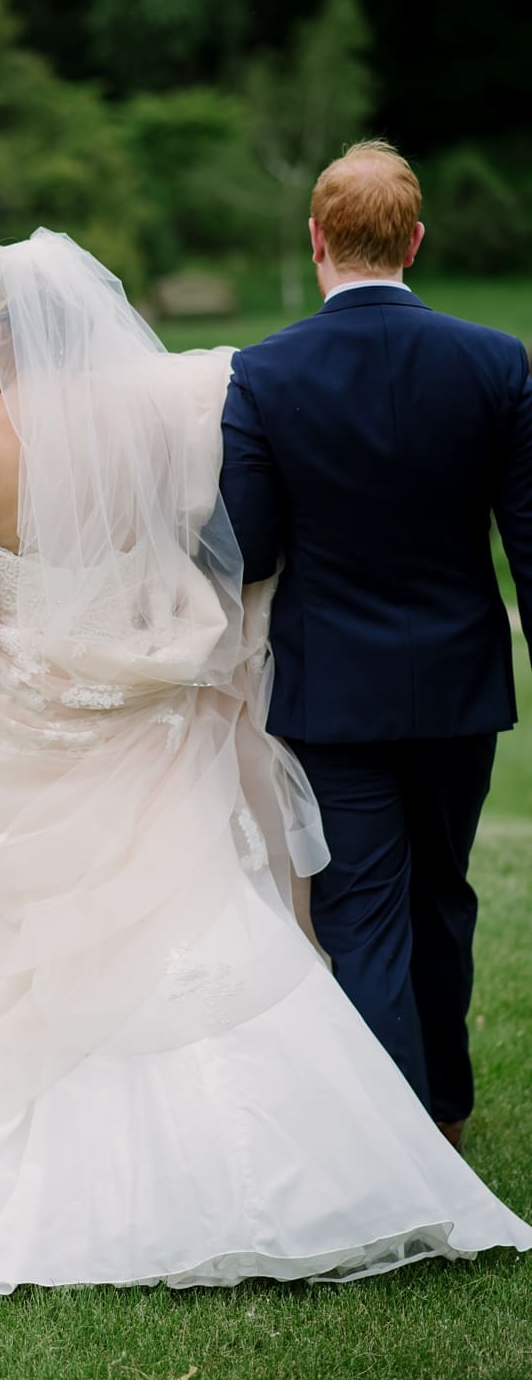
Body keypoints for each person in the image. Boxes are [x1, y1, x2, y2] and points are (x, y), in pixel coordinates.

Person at [0, 229, 531, 1290]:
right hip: (146, 707)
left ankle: (25, 1144)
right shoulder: (153, 414)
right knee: (194, 911)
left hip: (24, 720)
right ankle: (326, 1148)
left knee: (25, 933)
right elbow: (216, 539)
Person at [220, 141, 532, 1150]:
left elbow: (252, 544)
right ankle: (436, 1111)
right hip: (458, 686)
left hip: (333, 687)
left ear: (315, 240)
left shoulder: (264, 373)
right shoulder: (496, 362)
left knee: (360, 910)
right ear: (415, 240)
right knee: (442, 893)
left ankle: (385, 1148)